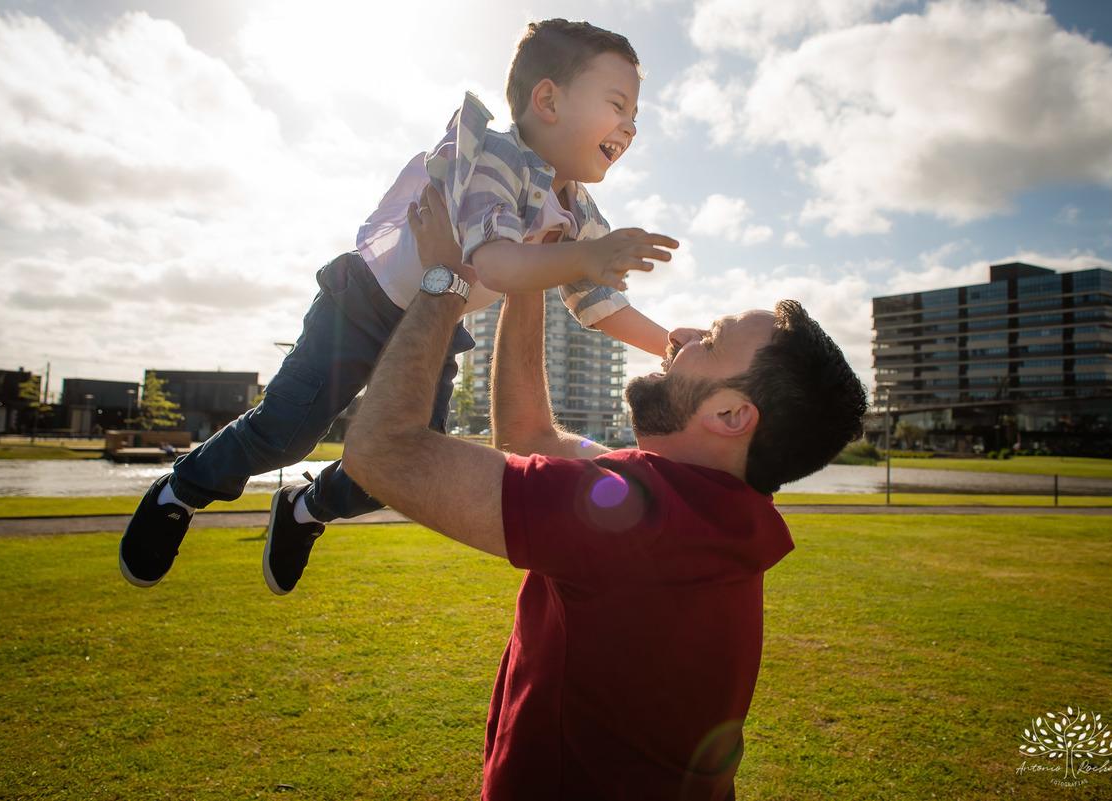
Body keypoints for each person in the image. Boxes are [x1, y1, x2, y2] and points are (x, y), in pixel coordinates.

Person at [338, 188, 868, 799]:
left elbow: (382, 452)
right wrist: (531, 272)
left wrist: (443, 283)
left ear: (729, 416)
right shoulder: (707, 511)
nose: (683, 334)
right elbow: (530, 435)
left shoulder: (647, 524)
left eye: (713, 342)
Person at [118, 19, 677, 595]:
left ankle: (305, 509)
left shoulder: (578, 211)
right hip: (362, 305)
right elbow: (497, 266)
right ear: (548, 100)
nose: (630, 127)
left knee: (408, 462)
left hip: (433, 323)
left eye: (635, 114)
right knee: (285, 434)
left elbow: (600, 303)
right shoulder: (499, 158)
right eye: (617, 105)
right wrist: (586, 257)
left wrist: (669, 347)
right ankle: (179, 491)